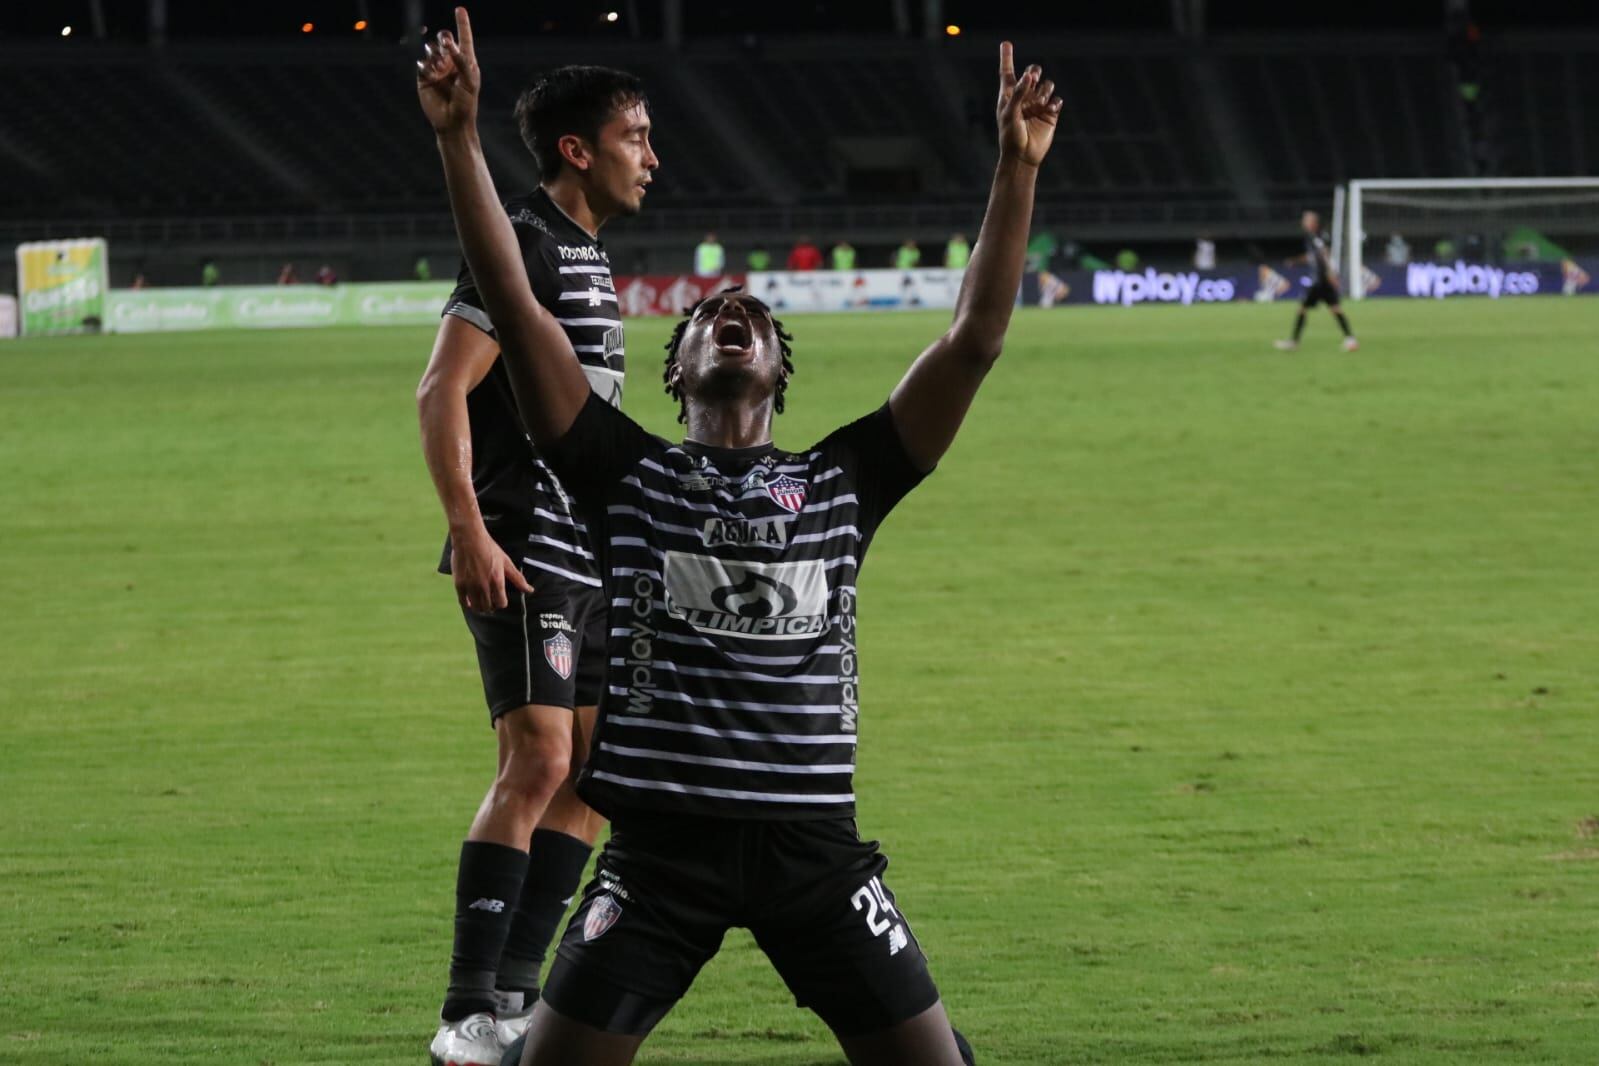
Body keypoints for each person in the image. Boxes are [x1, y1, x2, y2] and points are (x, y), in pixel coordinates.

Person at [418, 13, 1058, 1063]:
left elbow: (974, 339)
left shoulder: (848, 477)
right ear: (672, 372)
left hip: (820, 859)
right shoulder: (624, 475)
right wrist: (458, 141)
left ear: (777, 367)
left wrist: (1016, 168)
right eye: (712, 311)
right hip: (661, 861)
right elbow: (518, 310)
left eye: (753, 315)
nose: (733, 313)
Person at [415, 54, 658, 1066]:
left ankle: (515, 993)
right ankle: (469, 1007)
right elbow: (441, 388)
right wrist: (469, 526)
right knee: (540, 758)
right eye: (635, 138)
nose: (651, 157)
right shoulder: (523, 241)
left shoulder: (587, 253)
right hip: (524, 544)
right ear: (578, 149)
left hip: (588, 554)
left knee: (597, 772)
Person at [1275, 210, 1357, 352]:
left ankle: (1293, 342)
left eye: (1306, 220)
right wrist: (1295, 261)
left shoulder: (1316, 238)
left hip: (1320, 280)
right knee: (1334, 309)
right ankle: (1350, 339)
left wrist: (1331, 274)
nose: (1303, 222)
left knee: (1303, 309)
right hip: (1322, 279)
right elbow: (1311, 257)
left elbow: (1324, 255)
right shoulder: (1313, 237)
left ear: (1313, 223)